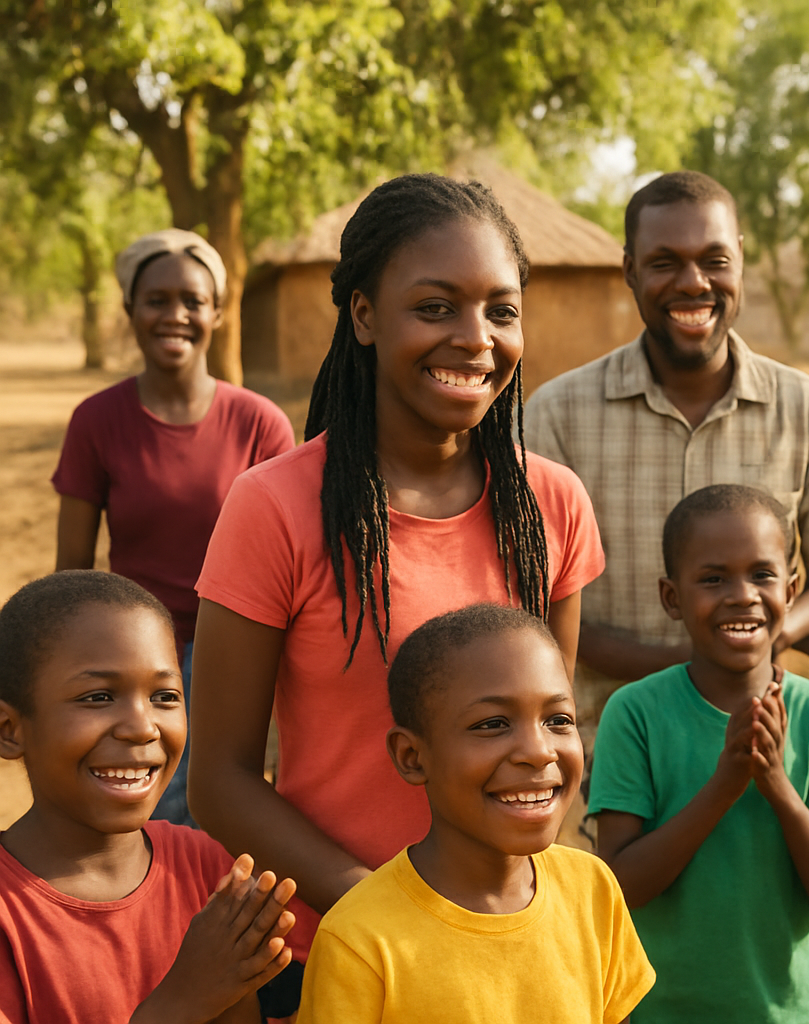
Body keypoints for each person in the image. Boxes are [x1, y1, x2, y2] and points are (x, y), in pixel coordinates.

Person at [189, 174, 606, 1018]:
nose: (476, 339)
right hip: (332, 954)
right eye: (436, 307)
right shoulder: (276, 507)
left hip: (506, 955)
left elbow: (544, 751)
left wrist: (492, 924)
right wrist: (393, 917)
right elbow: (221, 778)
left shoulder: (551, 506)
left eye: (501, 310)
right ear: (364, 315)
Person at [524, 170, 809, 741]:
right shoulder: (554, 416)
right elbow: (533, 600)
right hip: (603, 747)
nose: (693, 283)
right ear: (630, 271)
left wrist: (765, 635)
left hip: (764, 741)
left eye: (714, 260)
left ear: (740, 261)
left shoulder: (806, 409)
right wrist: (690, 671)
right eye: (665, 262)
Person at [588, 484, 809, 1023]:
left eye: (762, 574)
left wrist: (778, 787)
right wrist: (724, 787)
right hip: (656, 1014)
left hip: (780, 1014)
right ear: (672, 597)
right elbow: (622, 885)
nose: (742, 595)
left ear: (791, 589)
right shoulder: (635, 713)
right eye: (713, 578)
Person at [295, 604, 654, 1022]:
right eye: (492, 724)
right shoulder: (359, 940)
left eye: (558, 719)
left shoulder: (592, 889)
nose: (539, 751)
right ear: (411, 756)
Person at [52, 228, 295, 826]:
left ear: (218, 312)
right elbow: (70, 573)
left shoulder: (260, 424)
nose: (175, 315)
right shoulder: (97, 421)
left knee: (217, 812)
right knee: (141, 814)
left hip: (237, 651)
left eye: (193, 301)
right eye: (157, 300)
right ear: (130, 309)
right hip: (132, 652)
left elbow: (292, 562)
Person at [0, 570, 297, 1022]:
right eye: (98, 697)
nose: (142, 727)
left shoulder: (213, 871)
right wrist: (184, 999)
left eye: (165, 696)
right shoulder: (11, 913)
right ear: (10, 730)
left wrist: (232, 987)